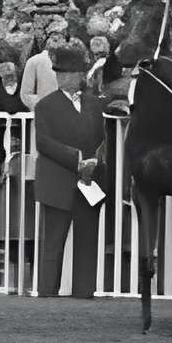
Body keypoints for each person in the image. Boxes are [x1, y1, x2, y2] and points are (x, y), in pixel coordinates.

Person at [29, 60, 109, 300]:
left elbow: (101, 137)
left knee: (87, 242)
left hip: (88, 182)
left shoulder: (93, 104)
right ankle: (47, 294)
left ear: (80, 75)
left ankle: (84, 294)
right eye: (60, 73)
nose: (63, 78)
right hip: (57, 182)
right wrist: (77, 159)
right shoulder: (45, 105)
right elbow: (43, 142)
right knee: (53, 243)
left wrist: (95, 161)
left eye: (69, 73)